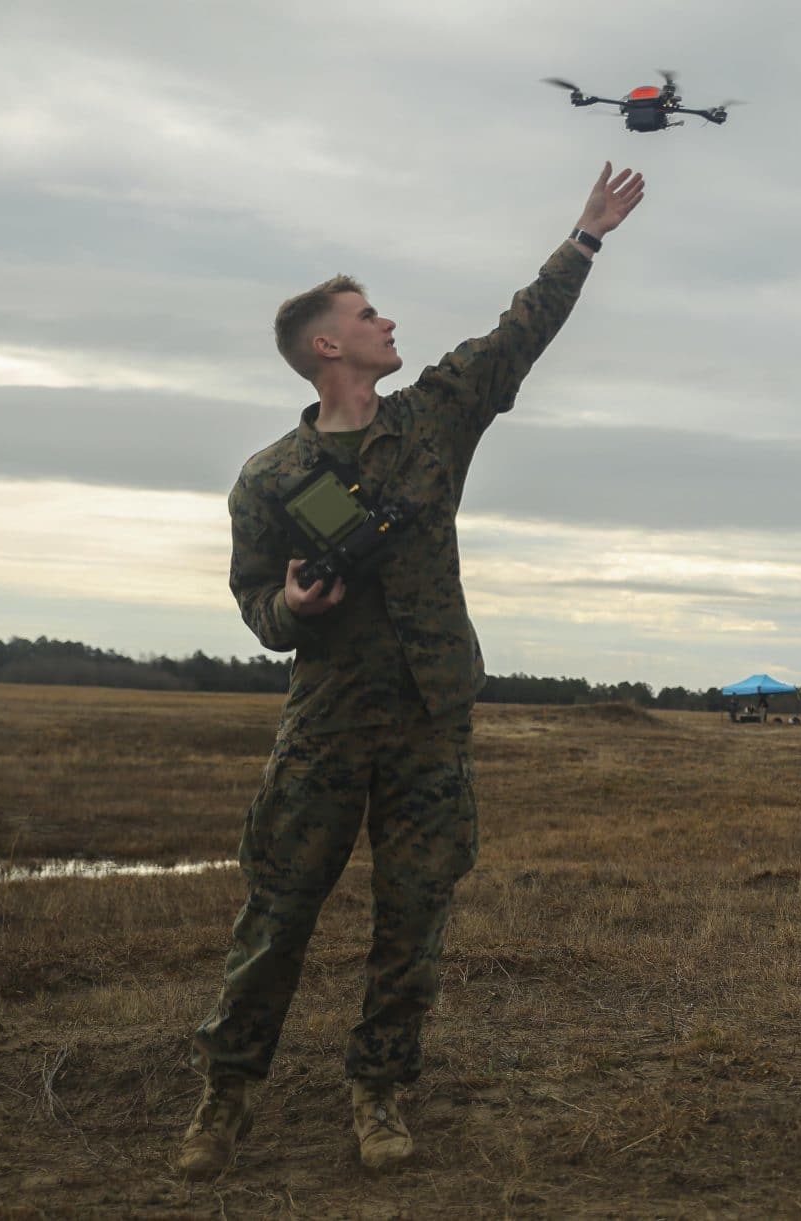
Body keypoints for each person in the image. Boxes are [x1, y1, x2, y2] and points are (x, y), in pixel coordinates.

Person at [176, 163, 645, 1177]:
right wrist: (291, 610)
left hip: (432, 725)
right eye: (369, 313)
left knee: (414, 920)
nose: (391, 324)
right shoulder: (271, 479)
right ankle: (227, 1095)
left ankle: (381, 1094)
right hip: (328, 728)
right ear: (325, 345)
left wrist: (584, 237)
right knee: (276, 915)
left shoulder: (435, 420)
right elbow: (254, 603)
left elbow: (519, 333)